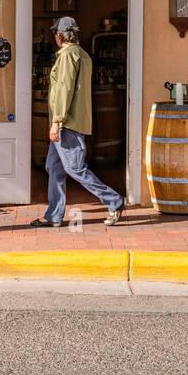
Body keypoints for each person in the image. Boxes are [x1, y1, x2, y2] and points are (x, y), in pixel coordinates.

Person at [30, 16, 125, 228]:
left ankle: (114, 201)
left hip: (67, 124)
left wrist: (57, 121)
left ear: (61, 35)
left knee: (75, 168)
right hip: (74, 122)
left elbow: (64, 90)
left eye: (56, 32)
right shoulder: (82, 54)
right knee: (54, 167)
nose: (55, 35)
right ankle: (54, 215)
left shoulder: (67, 56)